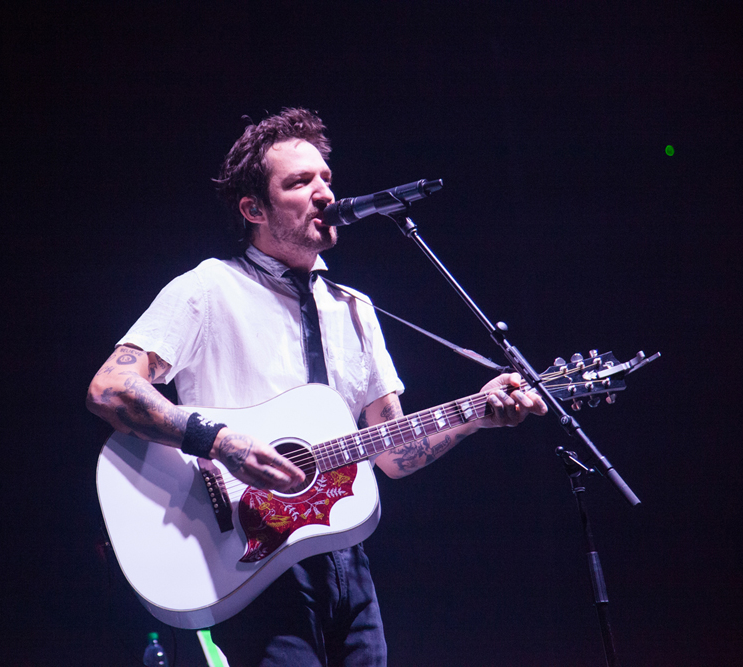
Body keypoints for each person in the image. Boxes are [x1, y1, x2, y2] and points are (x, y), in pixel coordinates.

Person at [86, 108, 546, 666]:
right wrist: (223, 442)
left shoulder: (355, 310)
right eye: (300, 182)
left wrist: (476, 414)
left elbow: (394, 453)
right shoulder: (208, 288)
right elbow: (110, 388)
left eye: (326, 177)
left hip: (344, 557)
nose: (324, 193)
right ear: (254, 209)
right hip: (242, 555)